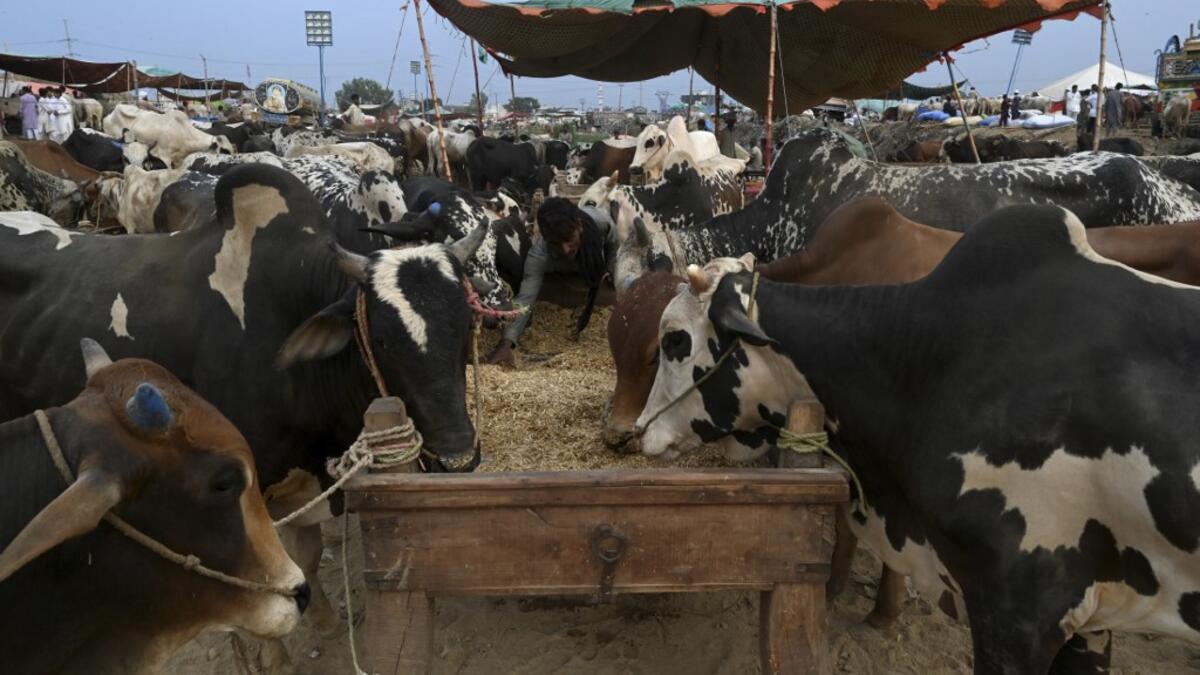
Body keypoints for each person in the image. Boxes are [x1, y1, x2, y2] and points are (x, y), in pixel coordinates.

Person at [485, 197, 618, 366]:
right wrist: (506, 343)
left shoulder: (601, 222)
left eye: (569, 239)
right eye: (555, 243)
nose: (565, 249)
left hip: (591, 259)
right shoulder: (539, 255)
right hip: (558, 271)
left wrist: (612, 264)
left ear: (579, 225)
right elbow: (525, 299)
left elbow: (613, 243)